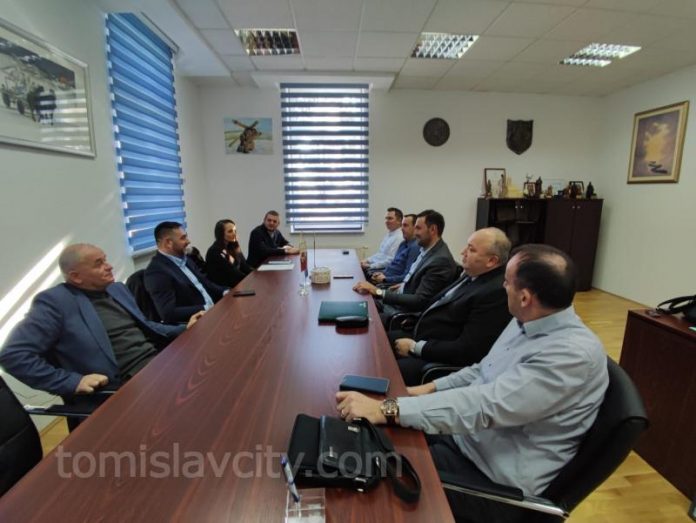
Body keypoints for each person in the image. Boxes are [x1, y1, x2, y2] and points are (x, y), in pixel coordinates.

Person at [337, 244, 609, 523]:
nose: (502, 286)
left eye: (507, 282)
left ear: (525, 297)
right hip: (464, 442)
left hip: (490, 484)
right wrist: (421, 390)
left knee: (368, 487)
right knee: (364, 443)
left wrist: (388, 408)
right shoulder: (528, 319)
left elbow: (484, 407)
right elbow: (482, 370)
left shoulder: (571, 356)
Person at [0, 244, 202, 400]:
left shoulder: (116, 289)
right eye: (99, 263)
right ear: (76, 277)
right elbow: (13, 355)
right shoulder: (55, 303)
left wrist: (183, 328)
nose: (109, 266)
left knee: (206, 376)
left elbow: (147, 325)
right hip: (124, 385)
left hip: (158, 363)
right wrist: (72, 382)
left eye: (105, 259)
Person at [391, 228, 512, 386]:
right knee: (379, 342)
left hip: (438, 357)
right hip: (424, 334)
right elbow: (439, 304)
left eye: (471, 249)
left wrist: (415, 347)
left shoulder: (495, 293)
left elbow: (467, 349)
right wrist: (416, 319)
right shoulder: (471, 275)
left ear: (491, 261)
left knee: (388, 369)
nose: (463, 252)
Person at [353, 210, 458, 321]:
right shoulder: (427, 250)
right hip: (398, 297)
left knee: (360, 317)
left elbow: (419, 301)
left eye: (418, 228)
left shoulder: (440, 261)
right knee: (358, 303)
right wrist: (403, 284)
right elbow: (416, 279)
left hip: (401, 312)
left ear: (433, 229)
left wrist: (378, 291)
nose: (415, 233)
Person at [144, 222, 227, 324]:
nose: (188, 241)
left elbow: (205, 283)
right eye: (183, 238)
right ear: (168, 243)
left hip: (214, 312)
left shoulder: (185, 258)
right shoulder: (156, 272)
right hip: (197, 323)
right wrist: (206, 307)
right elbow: (168, 313)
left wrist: (225, 291)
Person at [369, 214, 420, 286]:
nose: (402, 228)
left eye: (405, 225)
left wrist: (385, 279)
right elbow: (393, 264)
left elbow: (407, 276)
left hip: (391, 283)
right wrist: (382, 273)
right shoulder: (403, 243)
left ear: (415, 228)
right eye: (402, 225)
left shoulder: (415, 247)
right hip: (386, 276)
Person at [206, 219, 253, 288]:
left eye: (235, 231)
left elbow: (244, 266)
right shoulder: (214, 251)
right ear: (221, 234)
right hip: (226, 288)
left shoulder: (233, 245)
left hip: (237, 283)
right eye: (230, 231)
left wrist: (255, 274)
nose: (234, 234)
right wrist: (251, 280)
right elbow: (232, 273)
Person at [360, 207, 404, 272]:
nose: (386, 221)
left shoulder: (399, 238)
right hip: (378, 266)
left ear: (399, 221)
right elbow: (380, 254)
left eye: (390, 218)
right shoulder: (389, 234)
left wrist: (370, 266)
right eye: (386, 218)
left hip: (385, 270)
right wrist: (367, 260)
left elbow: (391, 261)